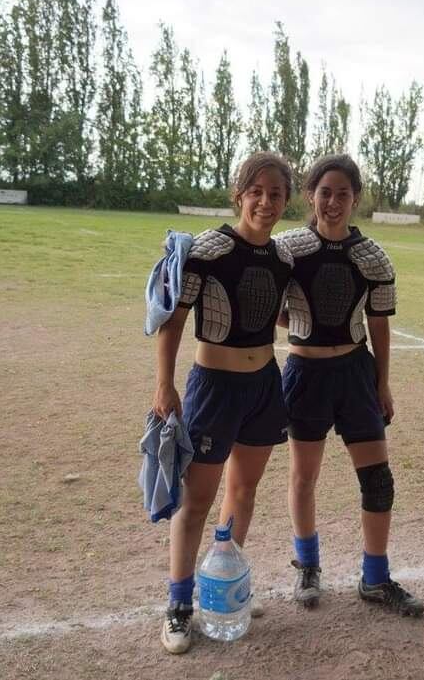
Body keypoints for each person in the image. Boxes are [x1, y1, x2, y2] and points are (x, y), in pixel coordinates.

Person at [152, 152, 294, 654]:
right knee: (195, 502)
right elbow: (172, 321)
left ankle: (225, 584)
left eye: (276, 193)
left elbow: (270, 313)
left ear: (285, 201)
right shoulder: (208, 249)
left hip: (263, 388)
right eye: (256, 191)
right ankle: (178, 606)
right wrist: (165, 386)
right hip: (213, 388)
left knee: (244, 492)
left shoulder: (283, 259)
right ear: (239, 196)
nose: (265, 201)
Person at [275, 154, 424, 617]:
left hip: (356, 374)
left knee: (377, 481)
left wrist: (383, 383)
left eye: (343, 194)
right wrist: (297, 322)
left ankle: (375, 578)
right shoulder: (287, 250)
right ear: (310, 196)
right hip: (305, 375)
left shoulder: (372, 257)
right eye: (325, 192)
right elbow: (271, 308)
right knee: (304, 476)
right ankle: (308, 567)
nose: (334, 202)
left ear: (355, 198)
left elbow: (379, 325)